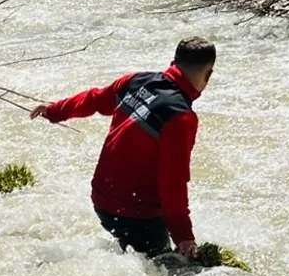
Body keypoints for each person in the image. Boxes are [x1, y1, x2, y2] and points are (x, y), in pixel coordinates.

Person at [30, 37, 216, 260]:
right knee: (170, 275)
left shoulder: (137, 81)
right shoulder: (180, 117)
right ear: (208, 76)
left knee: (130, 258)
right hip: (137, 215)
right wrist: (185, 237)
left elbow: (95, 99)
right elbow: (173, 183)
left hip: (102, 201)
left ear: (173, 62)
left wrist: (54, 110)